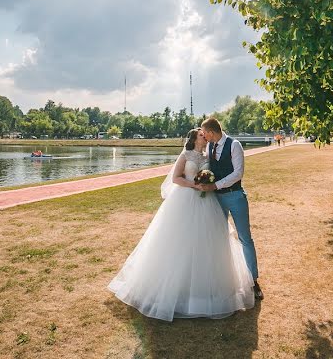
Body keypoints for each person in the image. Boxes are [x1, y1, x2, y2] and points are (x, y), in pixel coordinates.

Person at [108, 128, 255, 321]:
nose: (205, 137)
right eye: (202, 135)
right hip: (185, 199)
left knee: (207, 242)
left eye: (206, 134)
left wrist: (207, 183)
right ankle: (174, 288)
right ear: (195, 138)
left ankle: (207, 289)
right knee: (180, 240)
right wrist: (194, 185)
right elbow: (176, 178)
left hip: (207, 201)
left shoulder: (208, 154)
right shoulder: (186, 155)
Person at [198, 117, 263, 301]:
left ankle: (253, 281)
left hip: (235, 196)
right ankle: (223, 281)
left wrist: (215, 185)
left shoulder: (234, 145)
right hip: (216, 200)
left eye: (205, 133)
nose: (204, 137)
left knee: (245, 238)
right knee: (219, 239)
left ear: (211, 132)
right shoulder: (210, 146)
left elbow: (238, 173)